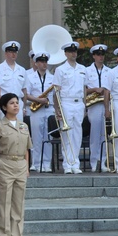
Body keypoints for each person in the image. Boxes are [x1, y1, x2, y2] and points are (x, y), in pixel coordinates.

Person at [0, 93, 32, 236]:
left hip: (20, 164)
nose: (16, 106)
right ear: (4, 107)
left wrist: (27, 166)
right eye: (12, 103)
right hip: (5, 163)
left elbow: (27, 148)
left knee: (18, 203)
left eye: (17, 103)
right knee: (4, 203)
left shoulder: (23, 126)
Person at [51, 41, 87, 174]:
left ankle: (75, 163)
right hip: (66, 102)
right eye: (71, 51)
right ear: (65, 53)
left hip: (79, 103)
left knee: (77, 134)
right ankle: (67, 164)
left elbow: (84, 88)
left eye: (75, 51)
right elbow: (56, 92)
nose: (73, 53)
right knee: (67, 134)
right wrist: (57, 109)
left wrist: (85, 106)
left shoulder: (83, 69)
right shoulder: (60, 70)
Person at [23, 51, 54, 172]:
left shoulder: (52, 77)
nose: (44, 64)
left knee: (48, 137)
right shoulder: (30, 77)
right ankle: (36, 163)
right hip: (36, 110)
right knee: (36, 138)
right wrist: (39, 100)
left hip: (49, 108)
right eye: (41, 61)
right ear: (36, 63)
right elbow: (27, 94)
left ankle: (47, 163)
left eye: (45, 61)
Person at [85, 44, 109, 172]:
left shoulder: (109, 71)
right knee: (94, 135)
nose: (101, 57)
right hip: (93, 105)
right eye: (98, 55)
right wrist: (95, 89)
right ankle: (94, 161)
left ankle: (103, 161)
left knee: (103, 135)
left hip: (105, 104)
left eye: (102, 54)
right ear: (94, 56)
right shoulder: (87, 71)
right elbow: (84, 89)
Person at [0, 40, 27, 119]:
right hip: (5, 103)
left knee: (18, 129)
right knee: (5, 129)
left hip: (18, 103)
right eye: (11, 51)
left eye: (15, 52)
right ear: (6, 53)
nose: (14, 54)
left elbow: (24, 90)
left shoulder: (22, 70)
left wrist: (24, 107)